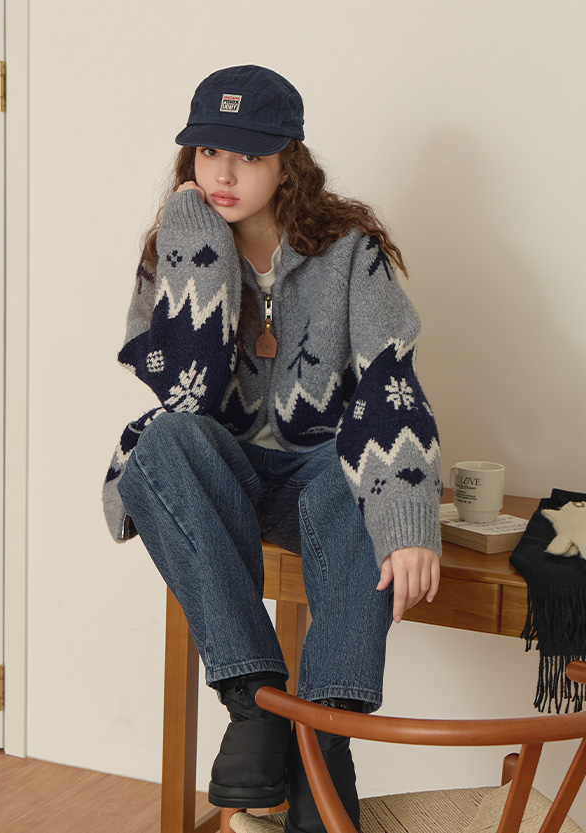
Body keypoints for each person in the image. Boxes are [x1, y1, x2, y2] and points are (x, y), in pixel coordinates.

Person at [103, 65, 442, 833]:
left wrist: (410, 517)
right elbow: (184, 393)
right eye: (208, 152)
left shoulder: (349, 251)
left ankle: (324, 737)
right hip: (225, 473)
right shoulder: (177, 244)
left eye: (248, 156)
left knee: (353, 479)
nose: (222, 174)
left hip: (321, 474)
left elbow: (389, 380)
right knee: (161, 442)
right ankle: (254, 704)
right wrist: (198, 248)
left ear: (289, 160)